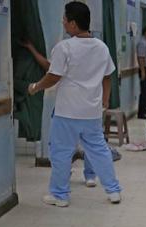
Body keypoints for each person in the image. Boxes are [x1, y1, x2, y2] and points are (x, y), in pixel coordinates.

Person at [28, 1, 121, 206]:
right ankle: (113, 191)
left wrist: (35, 87)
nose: (62, 22)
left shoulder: (64, 47)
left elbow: (53, 76)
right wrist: (105, 99)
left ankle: (60, 195)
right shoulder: (101, 47)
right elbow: (108, 76)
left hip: (67, 112)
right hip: (91, 111)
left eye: (64, 19)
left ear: (72, 23)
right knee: (99, 151)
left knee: (61, 153)